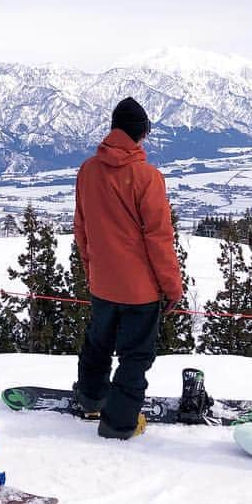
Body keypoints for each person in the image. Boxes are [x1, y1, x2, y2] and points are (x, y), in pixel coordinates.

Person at [72, 97, 183, 439]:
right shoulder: (147, 177)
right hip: (140, 289)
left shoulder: (88, 170)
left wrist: (92, 269)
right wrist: (172, 287)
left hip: (104, 281)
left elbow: (82, 228)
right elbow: (159, 239)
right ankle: (119, 422)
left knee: (98, 343)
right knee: (135, 356)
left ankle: (91, 398)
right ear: (142, 134)